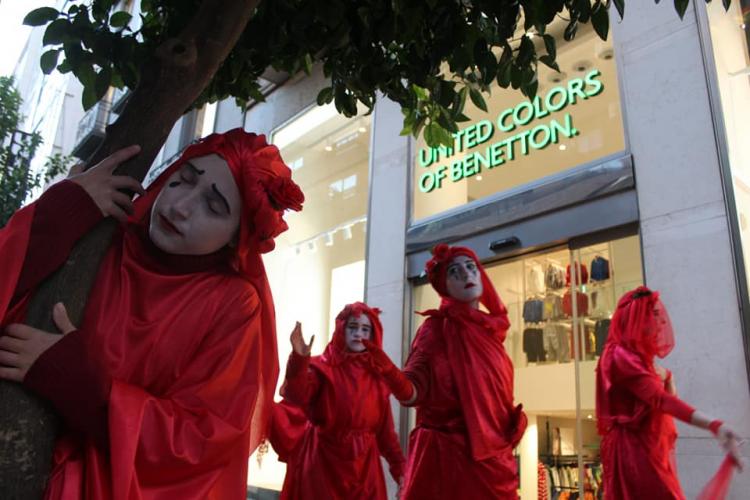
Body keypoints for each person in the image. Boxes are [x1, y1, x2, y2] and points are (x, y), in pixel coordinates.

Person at [0, 129, 304, 499]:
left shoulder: (234, 304)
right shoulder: (104, 236)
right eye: (181, 181)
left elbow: (206, 440)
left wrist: (91, 393)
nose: (179, 206)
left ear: (235, 237)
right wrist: (62, 210)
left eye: (214, 206)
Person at [364, 243, 527, 499]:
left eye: (471, 267)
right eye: (454, 271)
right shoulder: (436, 331)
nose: (466, 274)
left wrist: (511, 423)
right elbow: (412, 392)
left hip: (496, 463)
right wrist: (386, 368)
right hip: (450, 464)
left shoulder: (491, 333)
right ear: (444, 286)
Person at [596, 286, 743, 500]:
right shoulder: (620, 356)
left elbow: (664, 397)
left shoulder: (637, 359)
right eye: (653, 314)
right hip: (635, 452)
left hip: (651, 447)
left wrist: (668, 377)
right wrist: (714, 424)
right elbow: (662, 400)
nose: (661, 322)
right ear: (637, 317)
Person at [272, 302, 405, 500]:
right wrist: (299, 360)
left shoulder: (377, 376)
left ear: (372, 334)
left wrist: (401, 471)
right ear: (342, 328)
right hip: (324, 465)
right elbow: (297, 395)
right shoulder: (322, 368)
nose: (358, 333)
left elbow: (386, 434)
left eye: (365, 329)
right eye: (352, 327)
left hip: (365, 470)